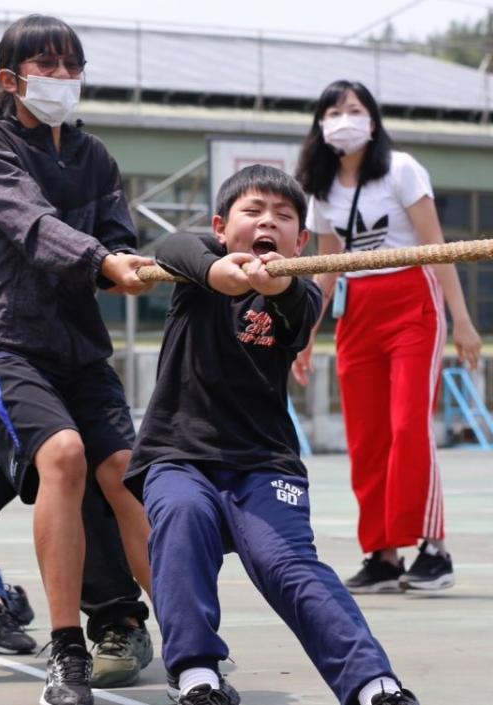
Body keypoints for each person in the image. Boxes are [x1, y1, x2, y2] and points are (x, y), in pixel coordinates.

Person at [126, 164, 420, 705]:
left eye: (283, 217)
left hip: (265, 466)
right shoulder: (194, 273)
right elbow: (172, 244)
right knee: (182, 519)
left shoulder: (302, 293)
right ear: (221, 226)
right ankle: (196, 675)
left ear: (302, 240)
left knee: (289, 562)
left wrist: (278, 281)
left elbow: (292, 312)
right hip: (178, 457)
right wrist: (218, 275)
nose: (269, 223)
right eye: (253, 212)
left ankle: (373, 685)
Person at [0, 14, 154, 705]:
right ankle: (68, 651)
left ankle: (190, 637)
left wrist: (155, 265)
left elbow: (120, 236)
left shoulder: (96, 157)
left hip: (79, 347)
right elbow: (32, 224)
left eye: (72, 66)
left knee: (129, 472)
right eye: (47, 66)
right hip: (3, 342)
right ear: (12, 79)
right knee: (62, 454)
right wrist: (103, 259)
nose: (61, 78)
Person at [0, 215, 152, 690]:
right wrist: (56, 259)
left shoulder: (86, 211)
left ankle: (121, 624)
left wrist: (101, 262)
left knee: (101, 470)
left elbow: (120, 257)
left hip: (75, 378)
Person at [293, 80, 482, 593]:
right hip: (358, 312)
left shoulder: (401, 169)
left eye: (353, 110)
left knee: (407, 426)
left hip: (411, 303)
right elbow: (326, 268)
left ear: (372, 121)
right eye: (332, 111)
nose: (343, 119)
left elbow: (438, 248)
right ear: (320, 125)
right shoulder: (321, 186)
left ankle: (433, 549)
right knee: (367, 437)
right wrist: (306, 332)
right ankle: (382, 555)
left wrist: (462, 322)